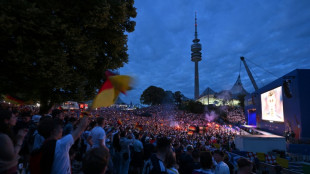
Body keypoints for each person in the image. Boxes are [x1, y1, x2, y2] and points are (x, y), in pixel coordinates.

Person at [0, 108, 28, 174]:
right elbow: (12, 156)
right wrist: (20, 139)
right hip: (7, 169)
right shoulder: (3, 137)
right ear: (6, 120)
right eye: (14, 117)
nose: (16, 119)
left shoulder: (7, 132)